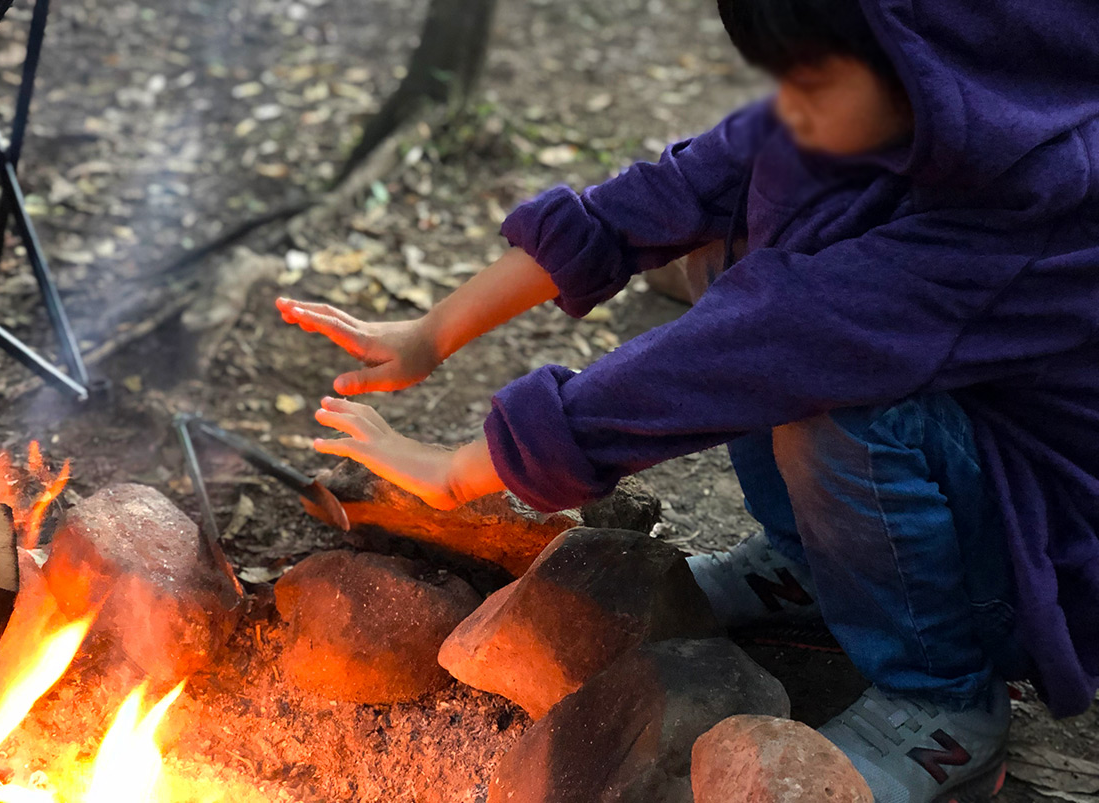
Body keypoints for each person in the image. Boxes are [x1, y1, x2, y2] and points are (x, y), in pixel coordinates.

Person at [277, 0, 1099, 800]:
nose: (787, 104)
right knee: (729, 234)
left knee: (836, 396)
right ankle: (813, 565)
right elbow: (653, 203)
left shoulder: (1026, 205)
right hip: (941, 448)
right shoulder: (877, 109)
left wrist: (467, 467)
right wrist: (432, 331)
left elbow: (766, 341)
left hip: (1034, 547)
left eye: (812, 79)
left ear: (927, 74)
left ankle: (944, 700)